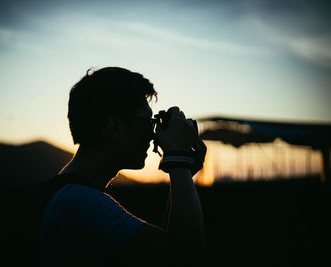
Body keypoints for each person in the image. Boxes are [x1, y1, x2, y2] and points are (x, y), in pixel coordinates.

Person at [38, 67, 207, 266]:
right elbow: (186, 253)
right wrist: (179, 161)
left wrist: (182, 172)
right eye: (147, 122)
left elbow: (162, 255)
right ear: (115, 127)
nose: (153, 134)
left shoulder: (70, 194)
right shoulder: (79, 202)